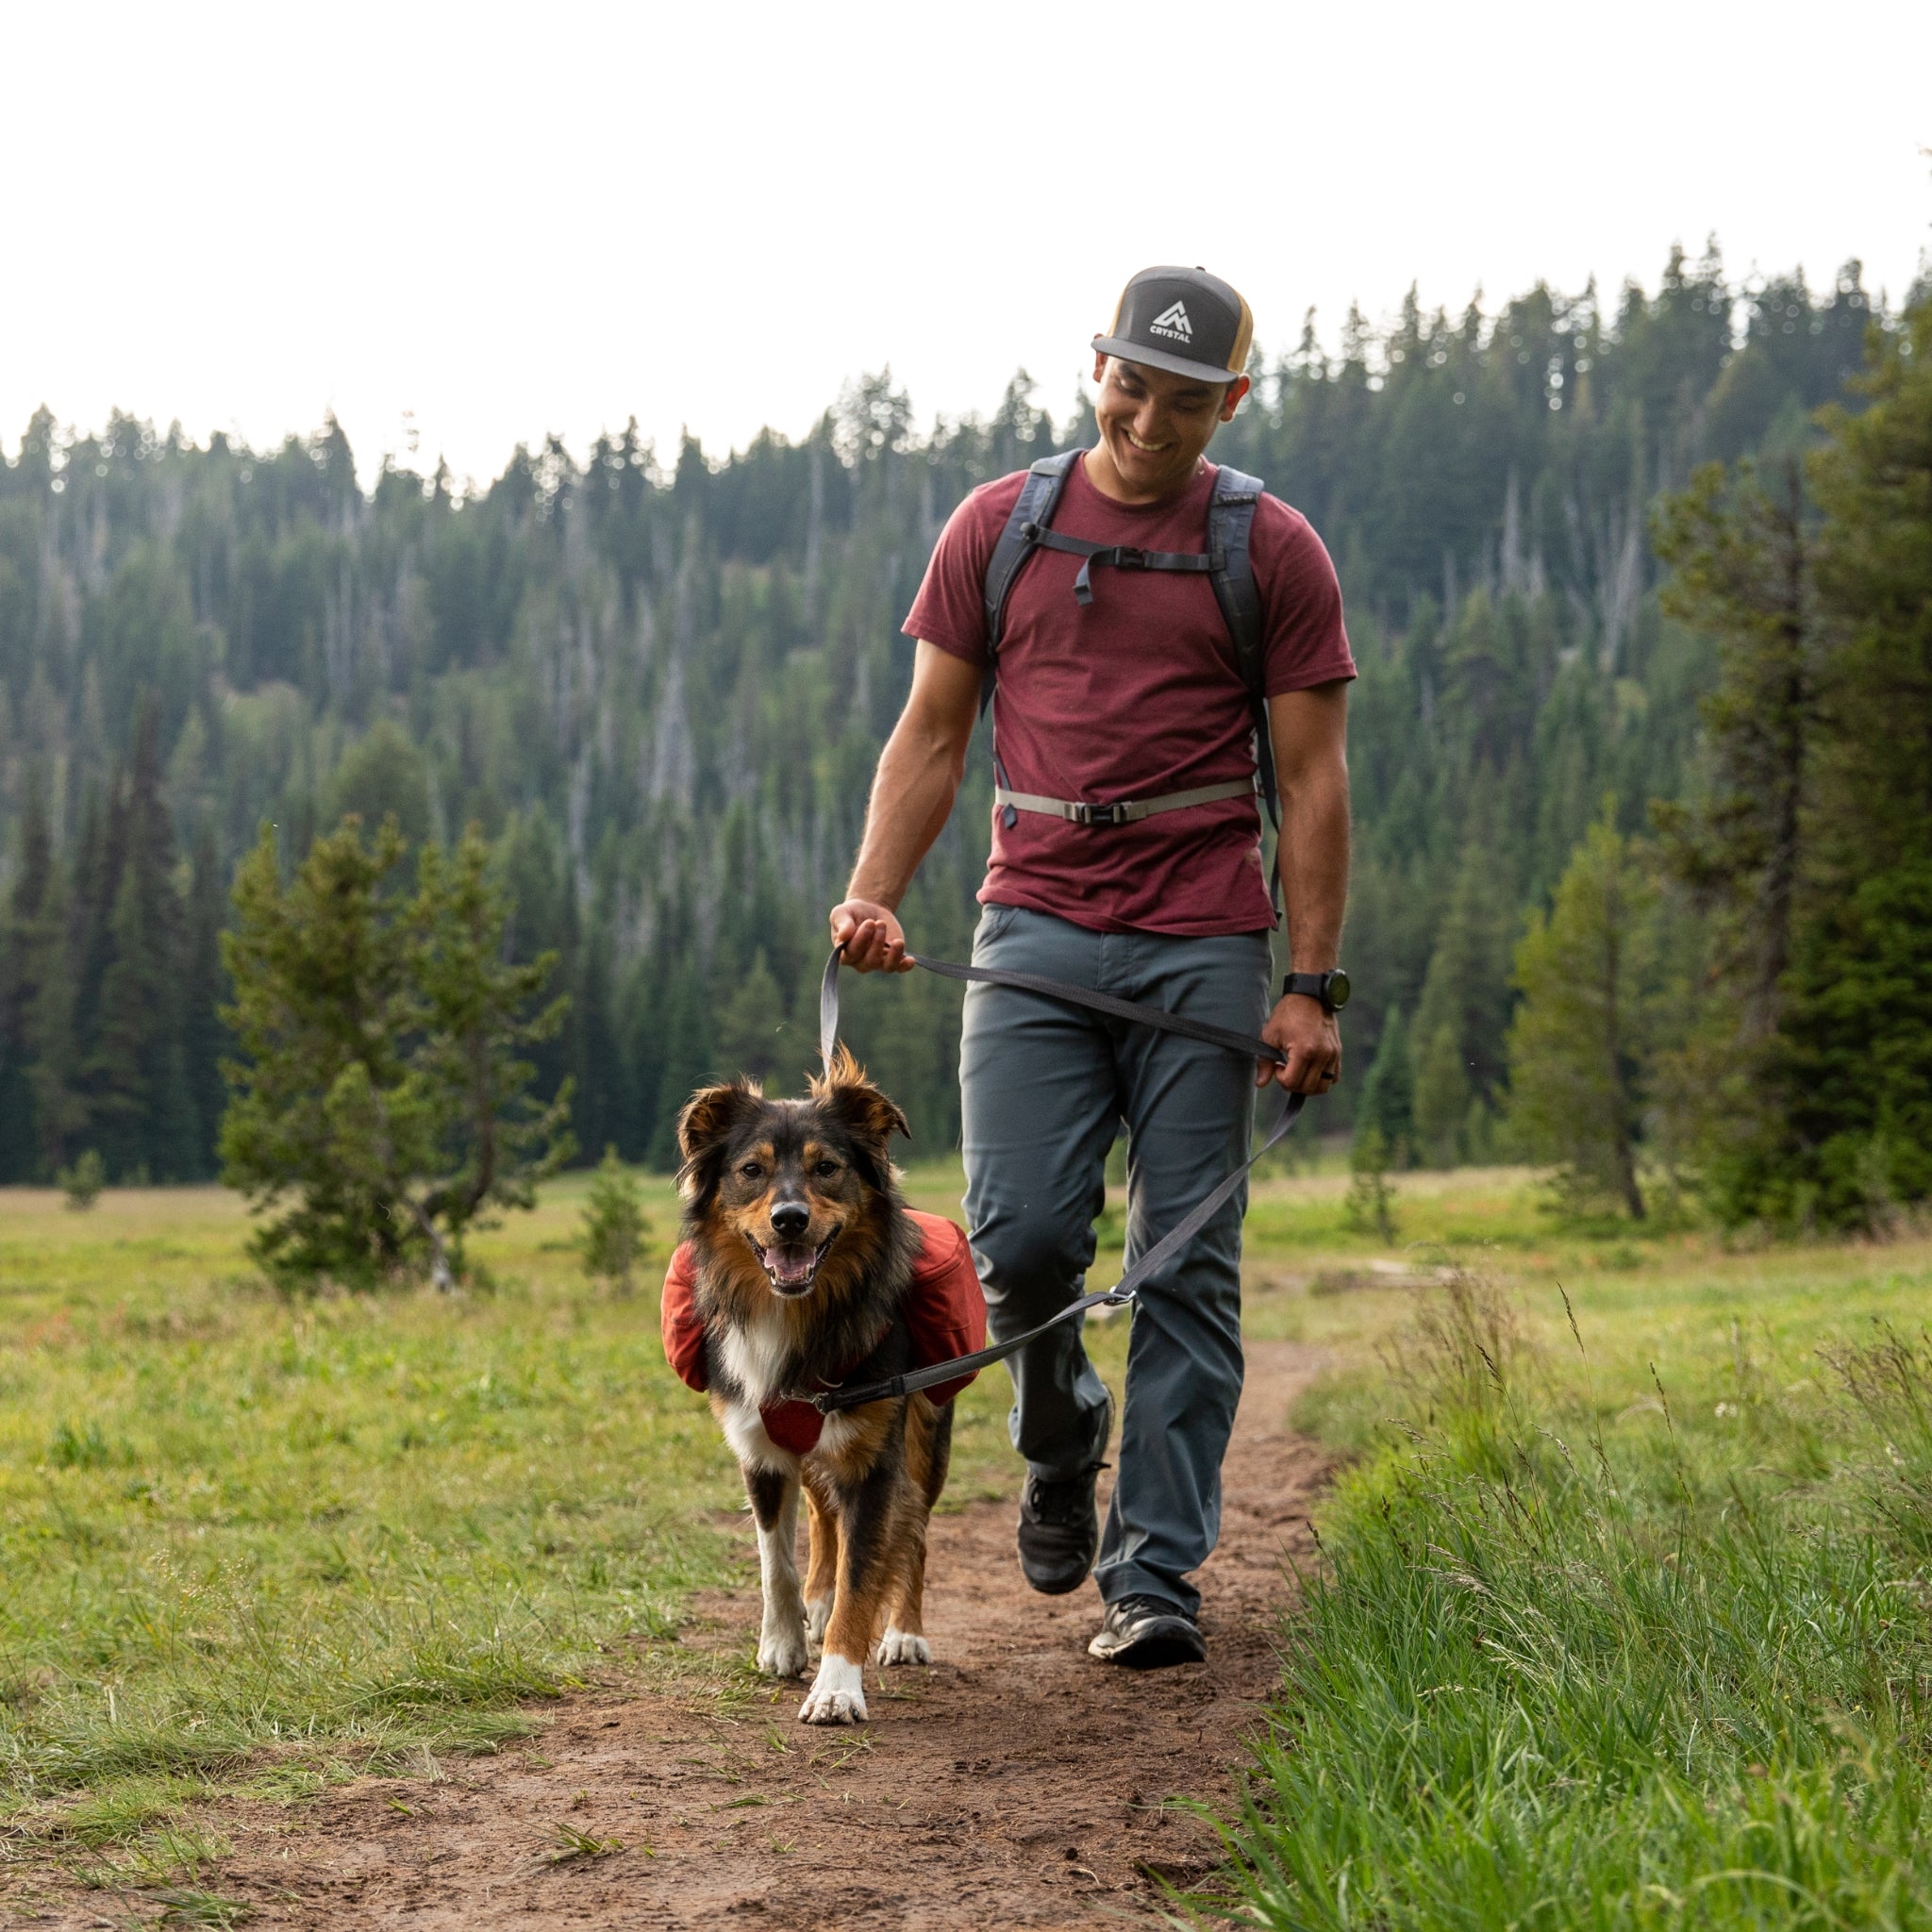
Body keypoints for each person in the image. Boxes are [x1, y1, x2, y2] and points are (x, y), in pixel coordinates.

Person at [829, 266, 1354, 1668]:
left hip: (1204, 938)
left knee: (1185, 1261)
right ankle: (1062, 1441)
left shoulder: (1273, 549)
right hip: (1035, 929)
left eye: (1188, 399)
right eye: (1133, 382)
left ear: (1231, 401)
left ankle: (1156, 1574)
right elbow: (934, 734)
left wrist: (1311, 981)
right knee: (1019, 1239)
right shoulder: (1000, 529)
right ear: (1097, 365)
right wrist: (874, 895)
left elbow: (1309, 781)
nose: (1150, 417)